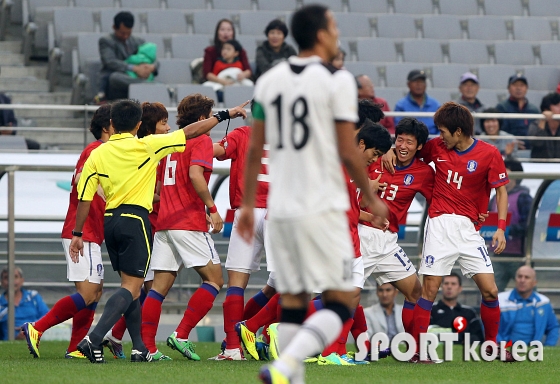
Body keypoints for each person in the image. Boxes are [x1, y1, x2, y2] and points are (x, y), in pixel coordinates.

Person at [237, 5, 388, 382]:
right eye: (334, 25)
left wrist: (244, 204)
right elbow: (347, 148)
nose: (337, 31)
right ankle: (288, 364)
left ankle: (289, 372)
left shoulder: (270, 80)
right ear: (321, 34)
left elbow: (256, 149)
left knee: (292, 303)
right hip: (322, 207)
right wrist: (370, 198)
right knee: (341, 302)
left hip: (282, 209)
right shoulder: (337, 81)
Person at [46, 99, 246, 364]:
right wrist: (223, 115)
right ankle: (95, 337)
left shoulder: (98, 153)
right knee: (133, 286)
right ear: (139, 125)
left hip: (111, 222)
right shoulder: (146, 145)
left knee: (140, 289)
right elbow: (189, 133)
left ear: (112, 124)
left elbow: (84, 197)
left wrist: (78, 233)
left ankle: (141, 347)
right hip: (136, 220)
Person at [385, 101, 512, 362]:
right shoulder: (437, 147)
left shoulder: (489, 154)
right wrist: (389, 149)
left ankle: (491, 346)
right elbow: (408, 149)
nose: (438, 136)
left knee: (490, 291)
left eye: (443, 131)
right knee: (429, 290)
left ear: (458, 131)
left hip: (468, 229)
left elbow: (500, 190)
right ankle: (417, 352)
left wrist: (500, 228)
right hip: (440, 224)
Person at [140, 94, 245, 361]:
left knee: (158, 288)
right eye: (209, 116)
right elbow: (196, 175)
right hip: (188, 221)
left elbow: (156, 187)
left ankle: (147, 348)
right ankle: (182, 334)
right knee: (215, 280)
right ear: (202, 119)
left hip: (164, 222)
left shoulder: (169, 144)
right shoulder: (200, 141)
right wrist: (211, 208)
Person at [21, 105, 112, 359]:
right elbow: (85, 186)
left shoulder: (95, 151)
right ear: (107, 128)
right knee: (87, 292)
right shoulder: (97, 151)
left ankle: (75, 348)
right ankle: (37, 328)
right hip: (83, 231)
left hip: (89, 230)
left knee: (95, 291)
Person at [101, 101, 171, 359]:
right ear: (147, 127)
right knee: (145, 286)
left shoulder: (114, 150)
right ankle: (100, 337)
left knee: (136, 286)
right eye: (164, 123)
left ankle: (129, 342)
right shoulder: (149, 150)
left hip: (122, 221)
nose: (168, 127)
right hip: (144, 224)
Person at [359, 117, 433, 349]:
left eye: (409, 142)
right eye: (399, 140)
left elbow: (438, 201)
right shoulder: (376, 157)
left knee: (416, 292)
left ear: (419, 146)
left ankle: (414, 349)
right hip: (362, 234)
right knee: (338, 296)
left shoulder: (423, 173)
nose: (403, 146)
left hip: (388, 243)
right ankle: (276, 329)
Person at [212, 115, 274, 361]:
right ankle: (260, 334)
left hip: (246, 211)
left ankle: (233, 347)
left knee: (236, 283)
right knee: (287, 284)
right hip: (278, 213)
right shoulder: (292, 139)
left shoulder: (242, 134)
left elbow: (216, 151)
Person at [489, 159, 532, 292]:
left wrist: (507, 230)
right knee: (491, 291)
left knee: (527, 291)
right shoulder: (494, 199)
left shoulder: (523, 197)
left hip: (518, 255)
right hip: (497, 254)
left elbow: (528, 226)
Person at [97, 12, 157, 102]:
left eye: (128, 33)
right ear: (114, 28)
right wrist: (135, 68)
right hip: (117, 84)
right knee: (114, 77)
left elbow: (153, 59)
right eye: (122, 33)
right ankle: (150, 85)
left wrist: (151, 67)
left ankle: (146, 85)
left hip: (135, 78)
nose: (125, 36)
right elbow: (110, 62)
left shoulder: (138, 41)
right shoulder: (106, 41)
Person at [498, 266, 558, 346]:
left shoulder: (543, 302)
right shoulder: (500, 300)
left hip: (534, 351)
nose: (522, 280)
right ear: (515, 279)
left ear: (534, 282)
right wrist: (498, 344)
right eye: (520, 277)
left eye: (527, 277)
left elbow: (553, 327)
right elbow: (488, 325)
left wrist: (548, 347)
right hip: (506, 347)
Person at [430, 272, 484, 344]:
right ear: (441, 287)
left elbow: (478, 338)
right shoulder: (431, 310)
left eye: (453, 284)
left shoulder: (469, 313)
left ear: (460, 288)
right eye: (446, 283)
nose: (449, 287)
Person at [0, 267, 49, 341]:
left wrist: (30, 328)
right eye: (7, 278)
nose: (11, 281)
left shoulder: (33, 297)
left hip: (38, 340)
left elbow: (48, 317)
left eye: (15, 277)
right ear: (2, 282)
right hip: (10, 346)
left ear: (22, 281)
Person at [496, 73, 539, 147]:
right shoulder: (502, 108)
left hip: (532, 149)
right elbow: (500, 131)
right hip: (508, 148)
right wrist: (513, 142)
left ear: (526, 88)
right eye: (515, 85)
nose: (518, 88)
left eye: (522, 85)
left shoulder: (534, 110)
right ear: (508, 88)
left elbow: (537, 132)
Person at [203, 19, 252, 85]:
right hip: (217, 82)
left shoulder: (240, 51)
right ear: (217, 32)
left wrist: (243, 75)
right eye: (222, 30)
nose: (225, 33)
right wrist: (222, 82)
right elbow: (207, 74)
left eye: (229, 30)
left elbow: (248, 71)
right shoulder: (210, 51)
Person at [394, 70, 440, 135]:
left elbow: (441, 128)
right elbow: (399, 128)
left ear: (425, 85)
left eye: (421, 81)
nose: (419, 84)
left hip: (433, 141)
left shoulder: (435, 104)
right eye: (415, 81)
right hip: (410, 142)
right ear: (408, 84)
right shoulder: (401, 105)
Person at [527, 92, 560, 160]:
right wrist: (543, 120)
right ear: (546, 109)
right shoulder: (535, 125)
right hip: (539, 166)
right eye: (557, 105)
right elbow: (537, 142)